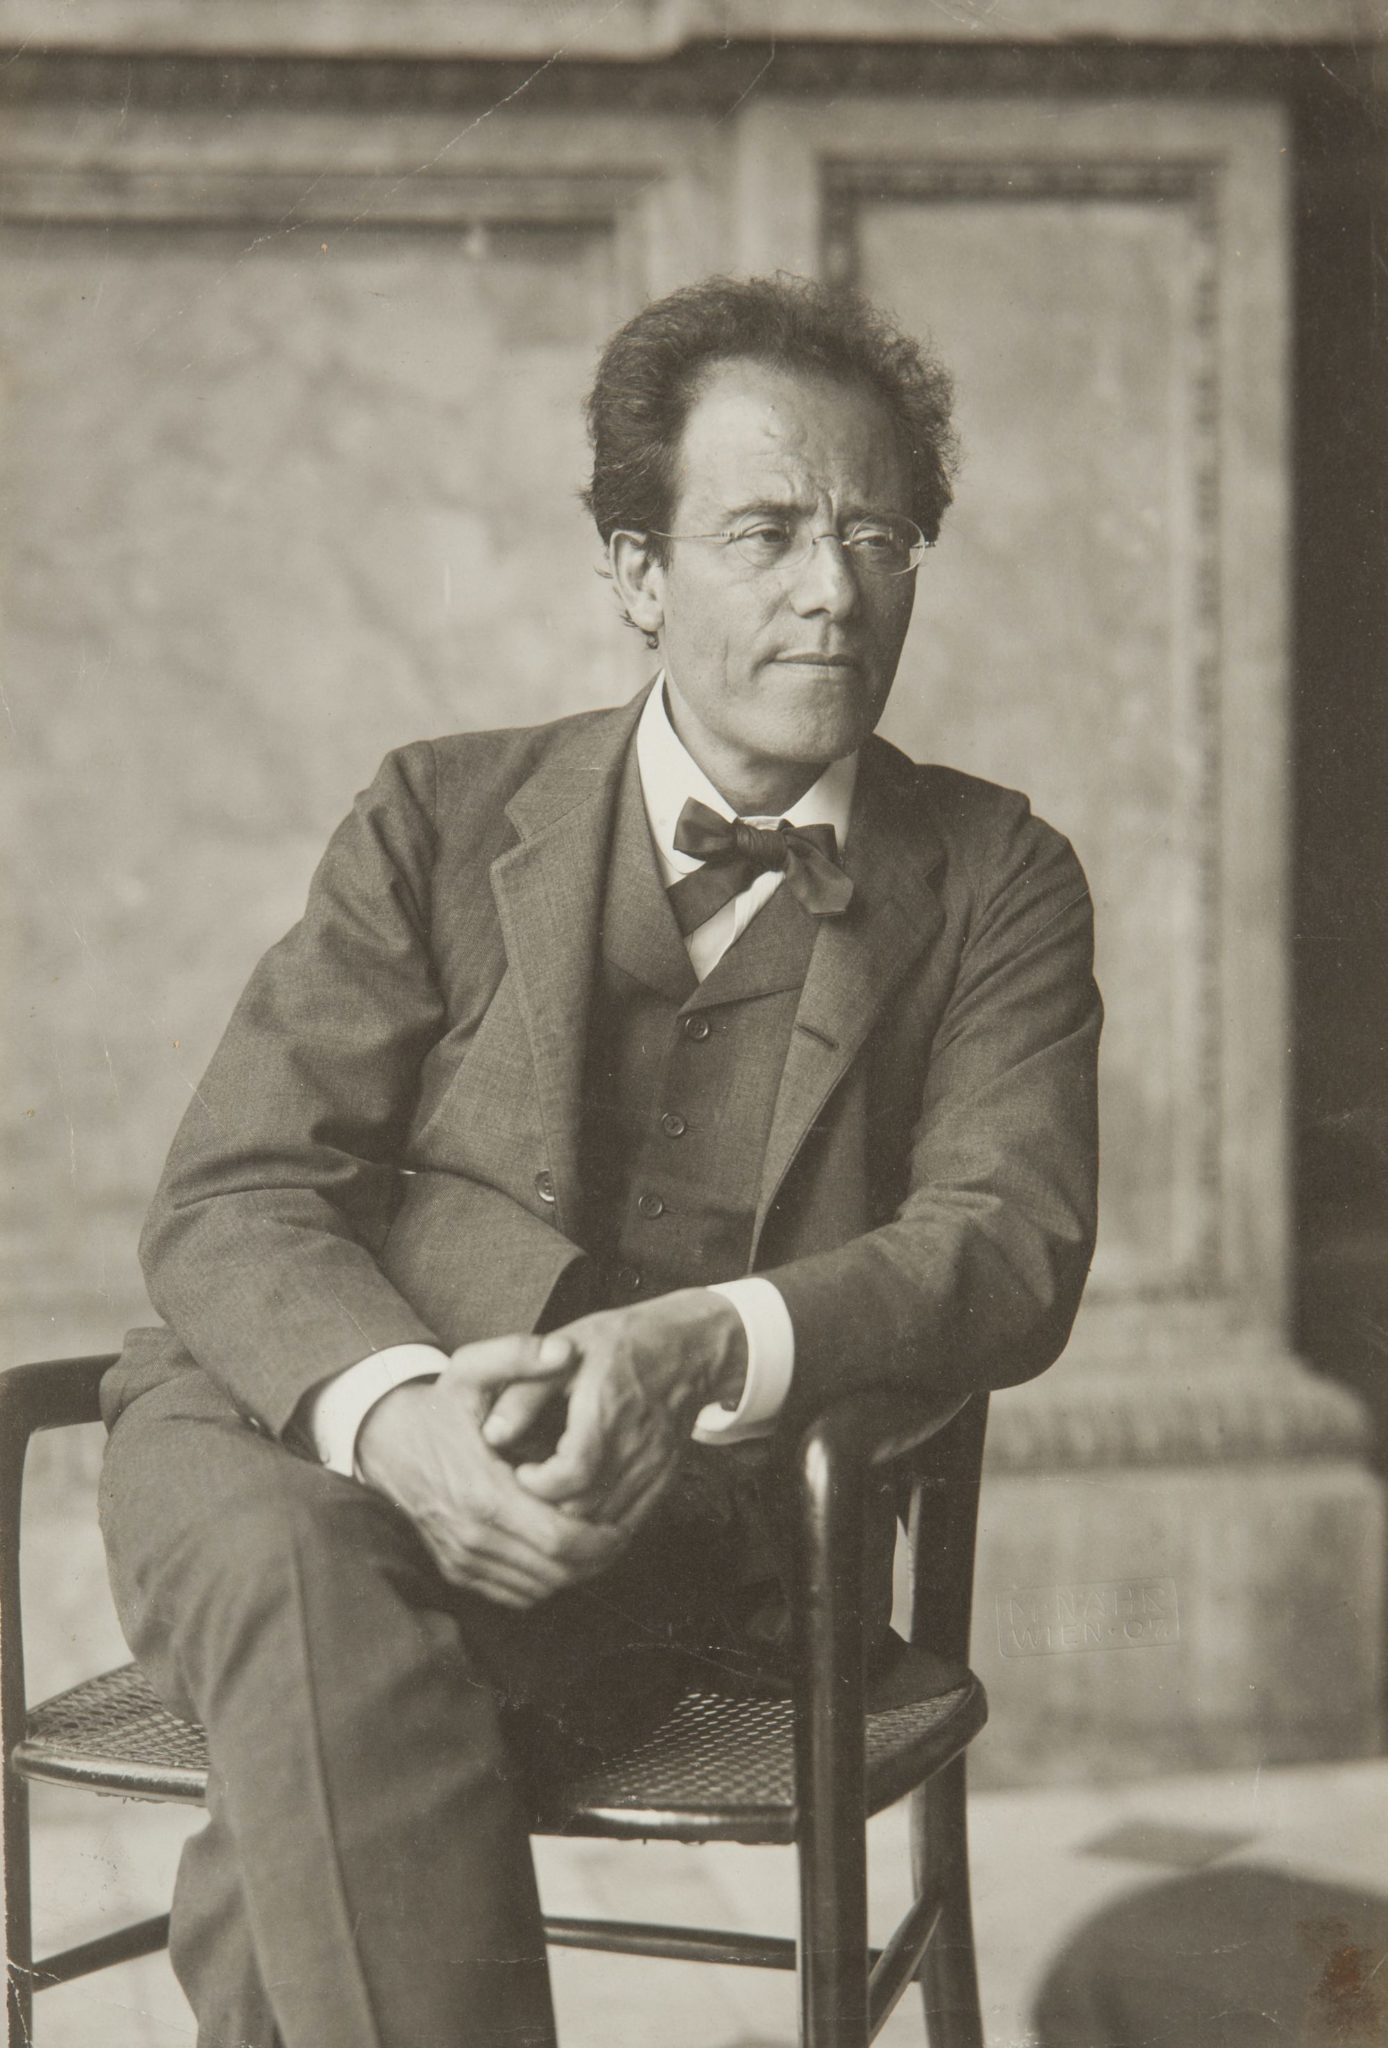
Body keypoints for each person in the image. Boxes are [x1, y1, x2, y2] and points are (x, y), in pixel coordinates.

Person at [98, 272, 1101, 2048]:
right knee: (301, 1563)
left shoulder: (995, 877)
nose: (833, 589)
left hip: (653, 1522)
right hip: (275, 1417)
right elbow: (239, 1191)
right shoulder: (437, 814)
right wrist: (395, 1418)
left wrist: (703, 1346)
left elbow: (1007, 1244)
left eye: (878, 536)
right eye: (766, 533)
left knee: (312, 1723)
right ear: (637, 573)